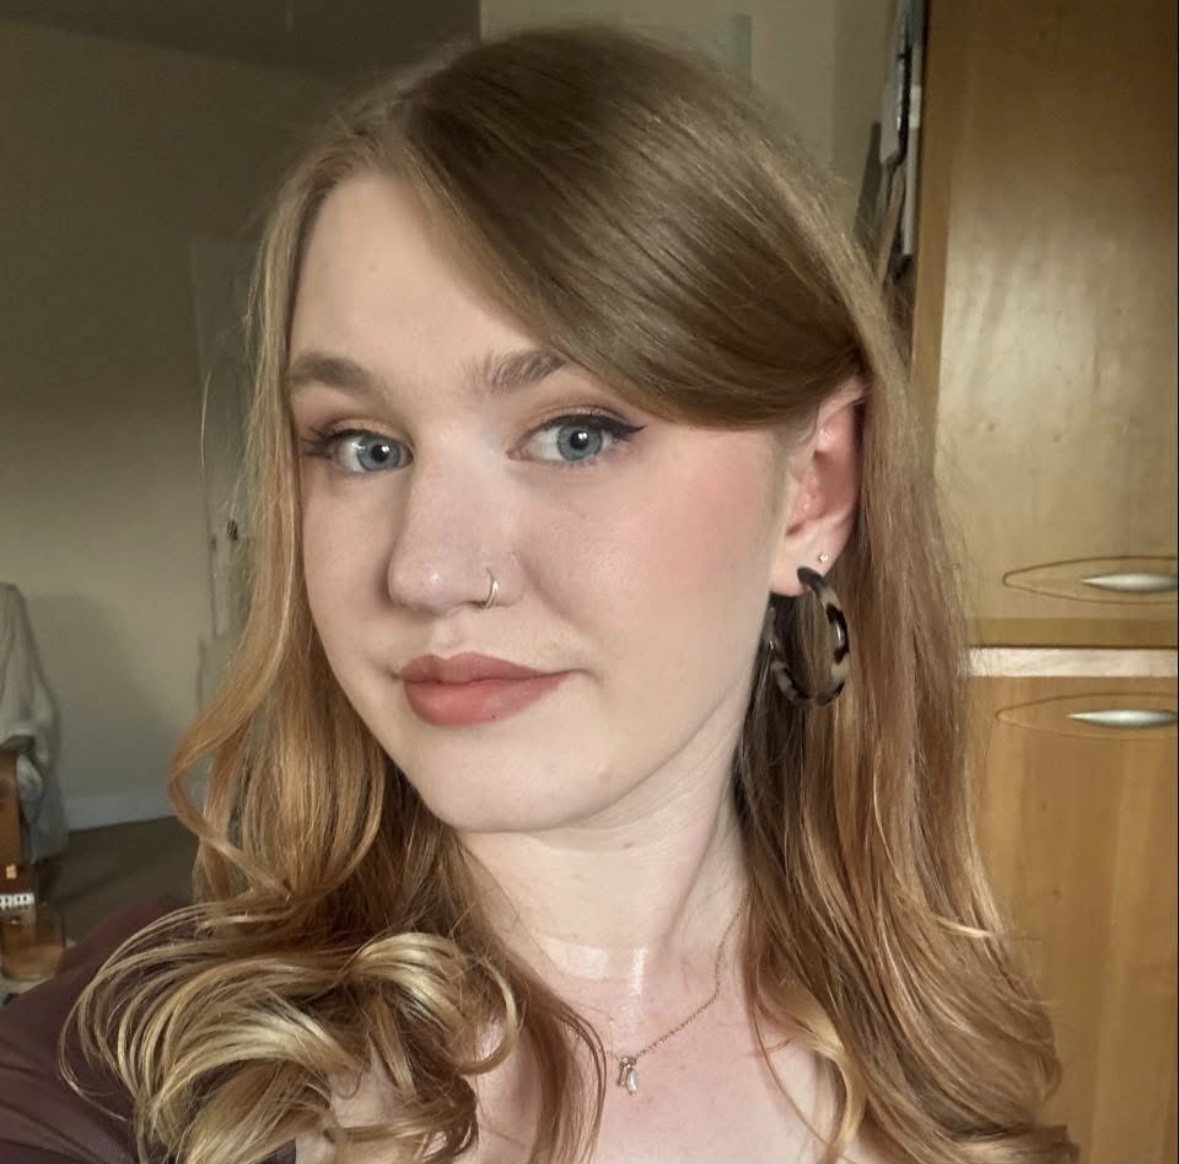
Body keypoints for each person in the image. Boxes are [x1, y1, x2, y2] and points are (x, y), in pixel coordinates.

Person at [0, 22, 1080, 1164]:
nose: (426, 572)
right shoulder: (131, 1053)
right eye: (361, 446)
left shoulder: (938, 1050)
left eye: (575, 433)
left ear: (811, 489)